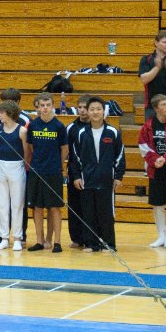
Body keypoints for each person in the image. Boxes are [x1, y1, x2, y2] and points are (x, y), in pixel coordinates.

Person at [69, 96, 125, 252]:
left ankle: (109, 244)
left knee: (106, 214)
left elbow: (120, 155)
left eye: (98, 109)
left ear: (103, 111)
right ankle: (91, 243)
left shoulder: (112, 132)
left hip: (107, 180)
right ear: (87, 111)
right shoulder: (81, 133)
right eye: (92, 109)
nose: (95, 112)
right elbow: (75, 158)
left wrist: (118, 176)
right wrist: (77, 176)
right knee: (88, 213)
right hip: (87, 180)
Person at [26, 92, 68, 253]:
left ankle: (56, 241)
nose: (45, 108)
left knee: (54, 207)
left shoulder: (58, 126)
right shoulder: (33, 125)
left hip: (53, 172)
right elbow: (30, 147)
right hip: (37, 171)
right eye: (42, 105)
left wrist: (58, 164)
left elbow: (64, 149)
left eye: (48, 105)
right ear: (37, 107)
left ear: (52, 106)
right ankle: (39, 240)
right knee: (37, 207)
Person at [139, 93, 166, 249]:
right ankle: (160, 235)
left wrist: (165, 158)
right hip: (155, 170)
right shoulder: (147, 126)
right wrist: (155, 160)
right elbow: (143, 146)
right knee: (157, 204)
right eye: (163, 104)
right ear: (155, 108)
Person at [0, 100, 29, 251]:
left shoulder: (22, 131)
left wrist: (23, 166)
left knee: (17, 204)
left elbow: (27, 152)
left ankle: (17, 238)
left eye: (1, 112)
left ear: (9, 113)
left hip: (17, 166)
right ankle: (4, 238)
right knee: (2, 204)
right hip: (1, 165)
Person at [65, 94, 93, 248]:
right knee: (74, 205)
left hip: (92, 174)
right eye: (80, 107)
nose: (82, 111)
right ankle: (76, 237)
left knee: (90, 206)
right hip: (75, 173)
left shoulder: (97, 127)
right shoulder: (71, 128)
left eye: (85, 108)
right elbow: (68, 152)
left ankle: (92, 237)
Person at [139, 30, 166, 120]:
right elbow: (144, 80)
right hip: (152, 106)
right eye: (164, 42)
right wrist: (157, 67)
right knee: (152, 133)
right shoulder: (146, 59)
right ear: (156, 43)